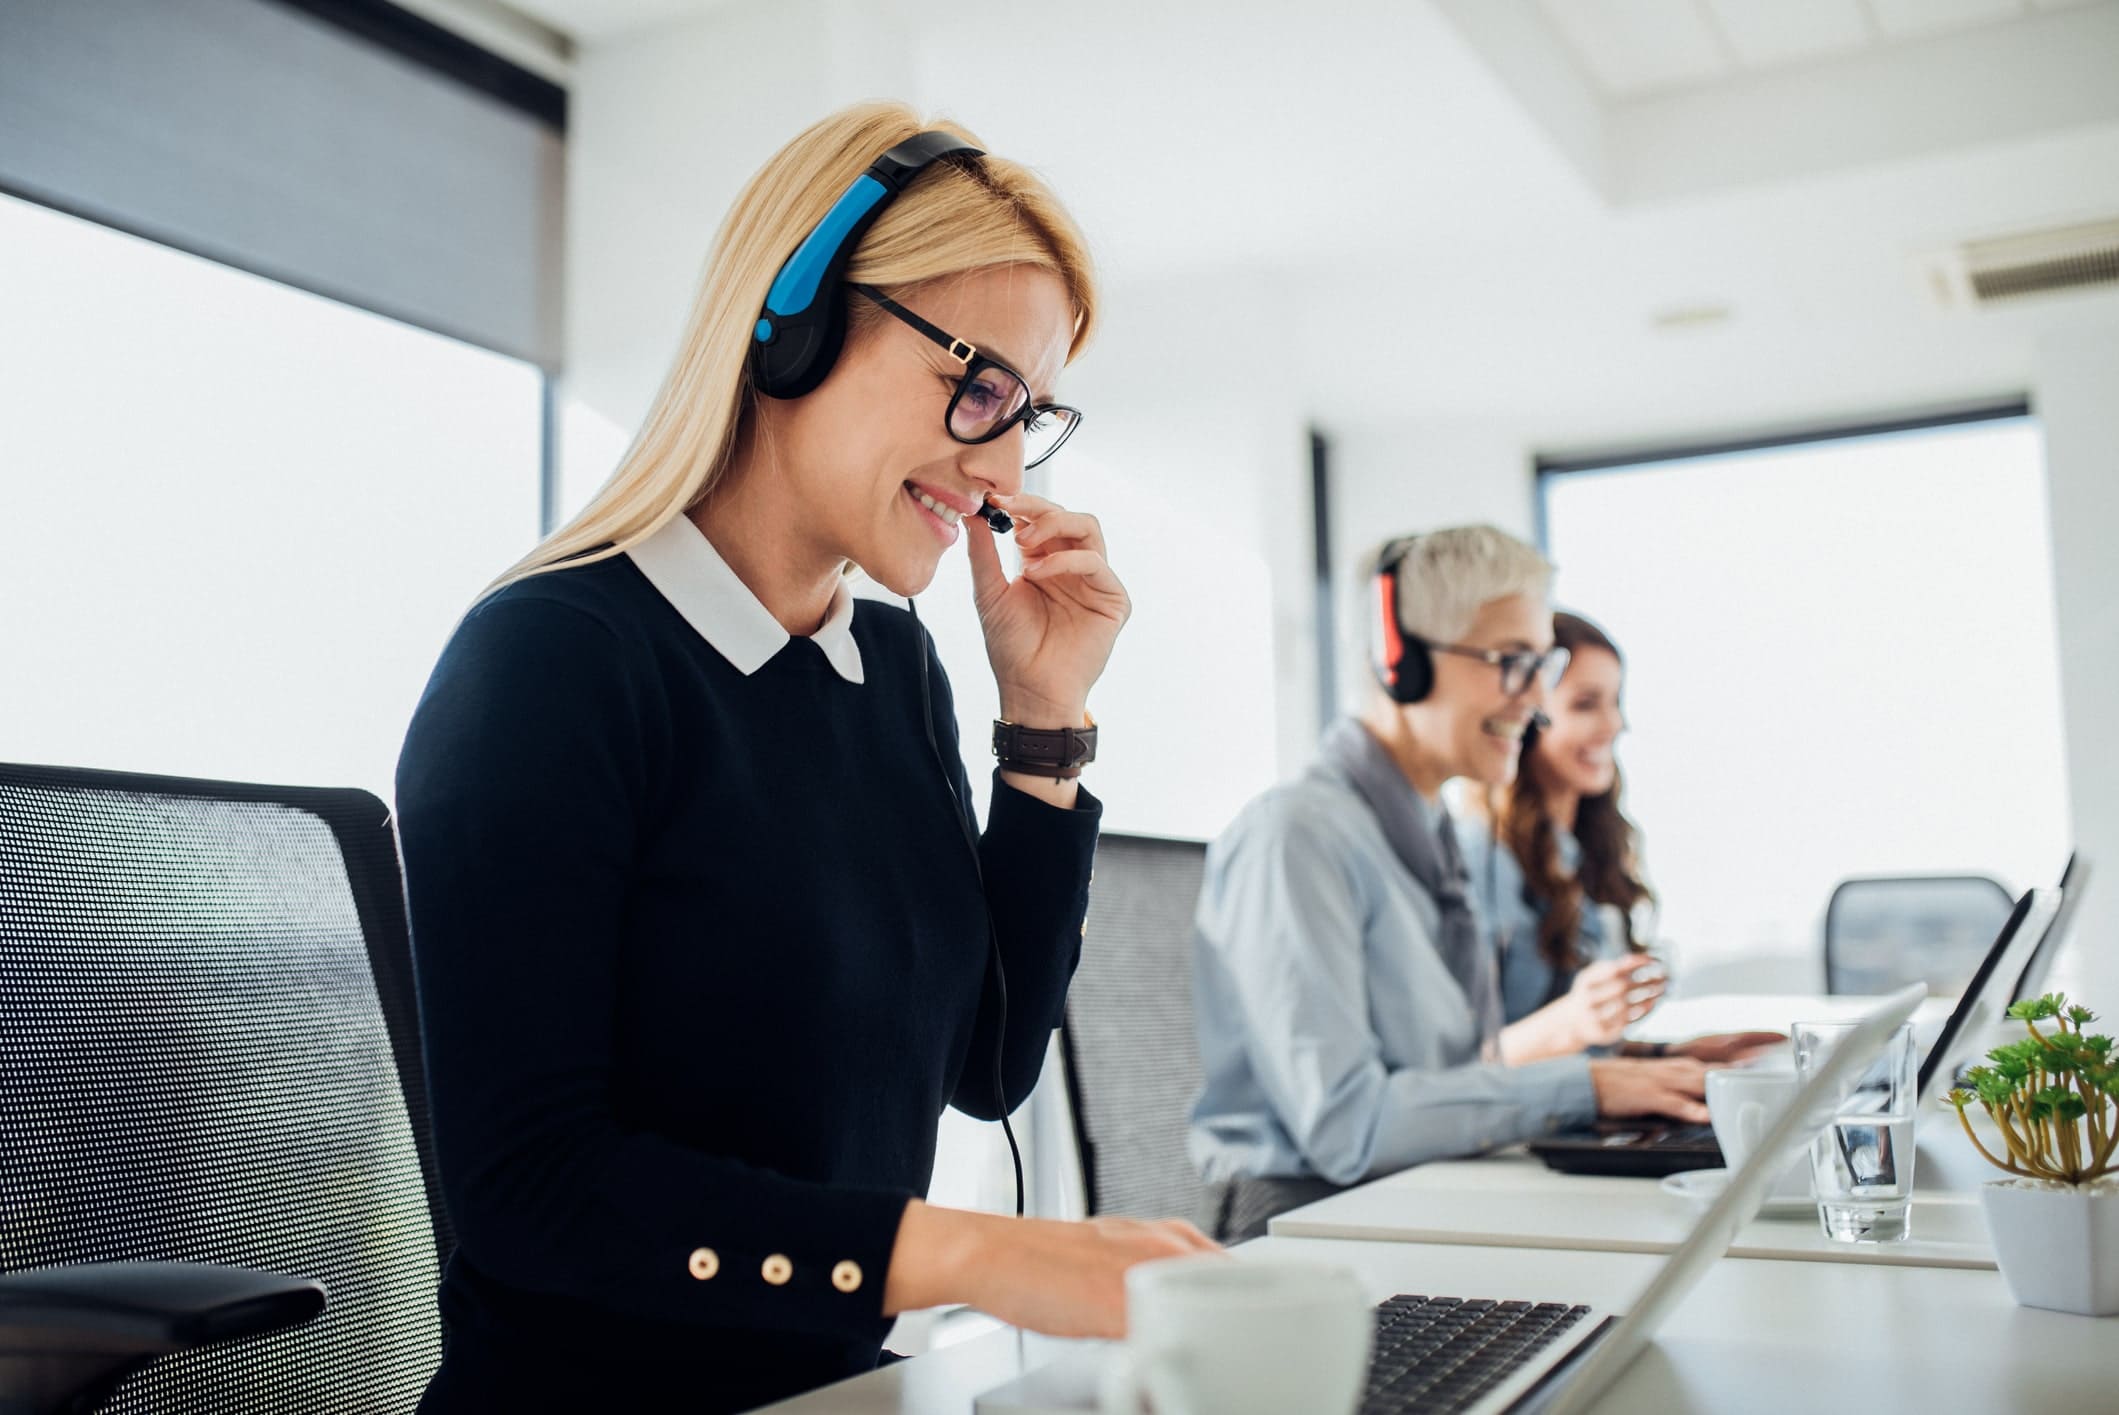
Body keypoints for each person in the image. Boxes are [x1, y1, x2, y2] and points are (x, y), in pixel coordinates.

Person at [394, 103, 1214, 1414]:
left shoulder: (888, 670)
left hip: (840, 1391)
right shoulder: (552, 659)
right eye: (979, 384)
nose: (1001, 464)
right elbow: (529, 1194)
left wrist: (1041, 724)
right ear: (799, 315)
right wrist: (978, 1254)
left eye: (1029, 414)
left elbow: (986, 1061)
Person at [1189, 527, 1728, 1242]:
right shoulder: (1299, 838)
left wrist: (1649, 1067)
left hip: (1415, 1199)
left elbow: (1461, 1075)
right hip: (1300, 1232)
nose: (1537, 700)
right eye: (1512, 662)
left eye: (1544, 664)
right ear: (1399, 660)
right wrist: (1585, 1086)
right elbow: (1346, 1128)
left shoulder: (1426, 835)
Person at [1463, 613, 1781, 1067]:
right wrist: (1571, 1022)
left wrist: (1667, 1053)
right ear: (1526, 716)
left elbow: (1575, 1053)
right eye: (1586, 704)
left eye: (1616, 702)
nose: (1615, 724)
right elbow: (1459, 1073)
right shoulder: (1479, 861)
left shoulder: (1581, 850)